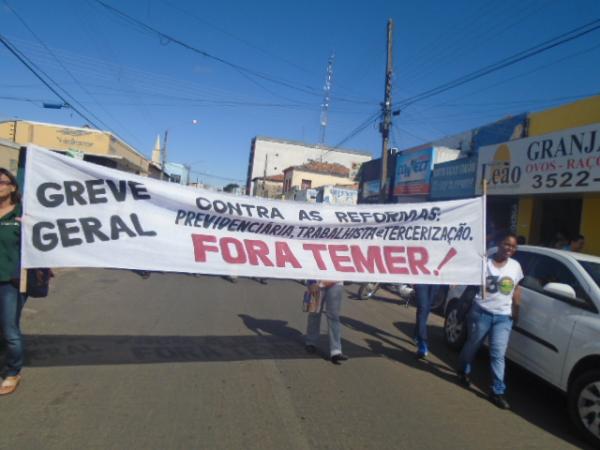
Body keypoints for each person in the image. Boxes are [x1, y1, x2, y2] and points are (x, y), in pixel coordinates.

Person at [457, 232, 523, 410]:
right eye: (506, 244)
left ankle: (497, 391)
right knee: (473, 345)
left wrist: (516, 312)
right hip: (481, 313)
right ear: (499, 244)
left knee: (497, 354)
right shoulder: (484, 263)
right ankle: (463, 370)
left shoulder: (516, 266)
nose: (509, 248)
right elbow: (470, 282)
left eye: (513, 246)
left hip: (503, 317)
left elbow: (516, 290)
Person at [0, 168, 26, 395]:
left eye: (1, 182)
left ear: (12, 187)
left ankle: (12, 372)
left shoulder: (22, 214)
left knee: (9, 329)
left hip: (11, 280)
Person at [304, 280, 348, 364]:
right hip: (315, 283)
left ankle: (336, 351)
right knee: (314, 313)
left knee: (333, 316)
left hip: (335, 283)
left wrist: (322, 284)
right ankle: (311, 343)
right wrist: (311, 283)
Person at [413, 284, 440, 359]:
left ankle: (417, 334)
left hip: (435, 282)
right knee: (423, 308)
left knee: (425, 310)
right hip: (421, 280)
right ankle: (423, 343)